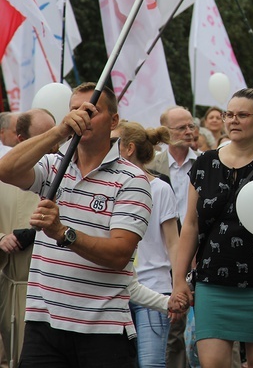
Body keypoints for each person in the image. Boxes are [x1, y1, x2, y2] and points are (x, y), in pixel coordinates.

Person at [0, 83, 153, 367]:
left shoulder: (132, 180)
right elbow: (5, 170)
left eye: (91, 111)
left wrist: (63, 234)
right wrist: (59, 132)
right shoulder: (53, 165)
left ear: (114, 121)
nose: (81, 117)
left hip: (102, 331)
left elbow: (120, 255)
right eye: (75, 110)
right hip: (43, 325)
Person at [171, 88, 253, 368]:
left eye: (243, 115)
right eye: (229, 114)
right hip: (212, 283)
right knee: (213, 363)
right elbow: (190, 225)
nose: (233, 120)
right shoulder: (205, 163)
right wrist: (179, 279)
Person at [114, 120, 180, 368]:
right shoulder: (109, 186)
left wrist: (178, 285)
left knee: (151, 364)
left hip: (153, 288)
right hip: (116, 289)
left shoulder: (160, 189)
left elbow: (174, 243)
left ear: (129, 148)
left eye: (114, 144)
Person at [0, 109, 57, 368]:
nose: (55, 143)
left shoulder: (66, 172)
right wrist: (1, 238)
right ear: (23, 139)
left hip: (53, 288)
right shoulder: (6, 176)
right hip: (13, 283)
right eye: (46, 136)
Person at [149, 105, 199, 368]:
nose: (189, 131)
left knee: (200, 325)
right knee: (170, 327)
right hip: (162, 255)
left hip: (197, 254)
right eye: (182, 127)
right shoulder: (150, 166)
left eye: (191, 125)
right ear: (166, 132)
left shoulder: (205, 162)